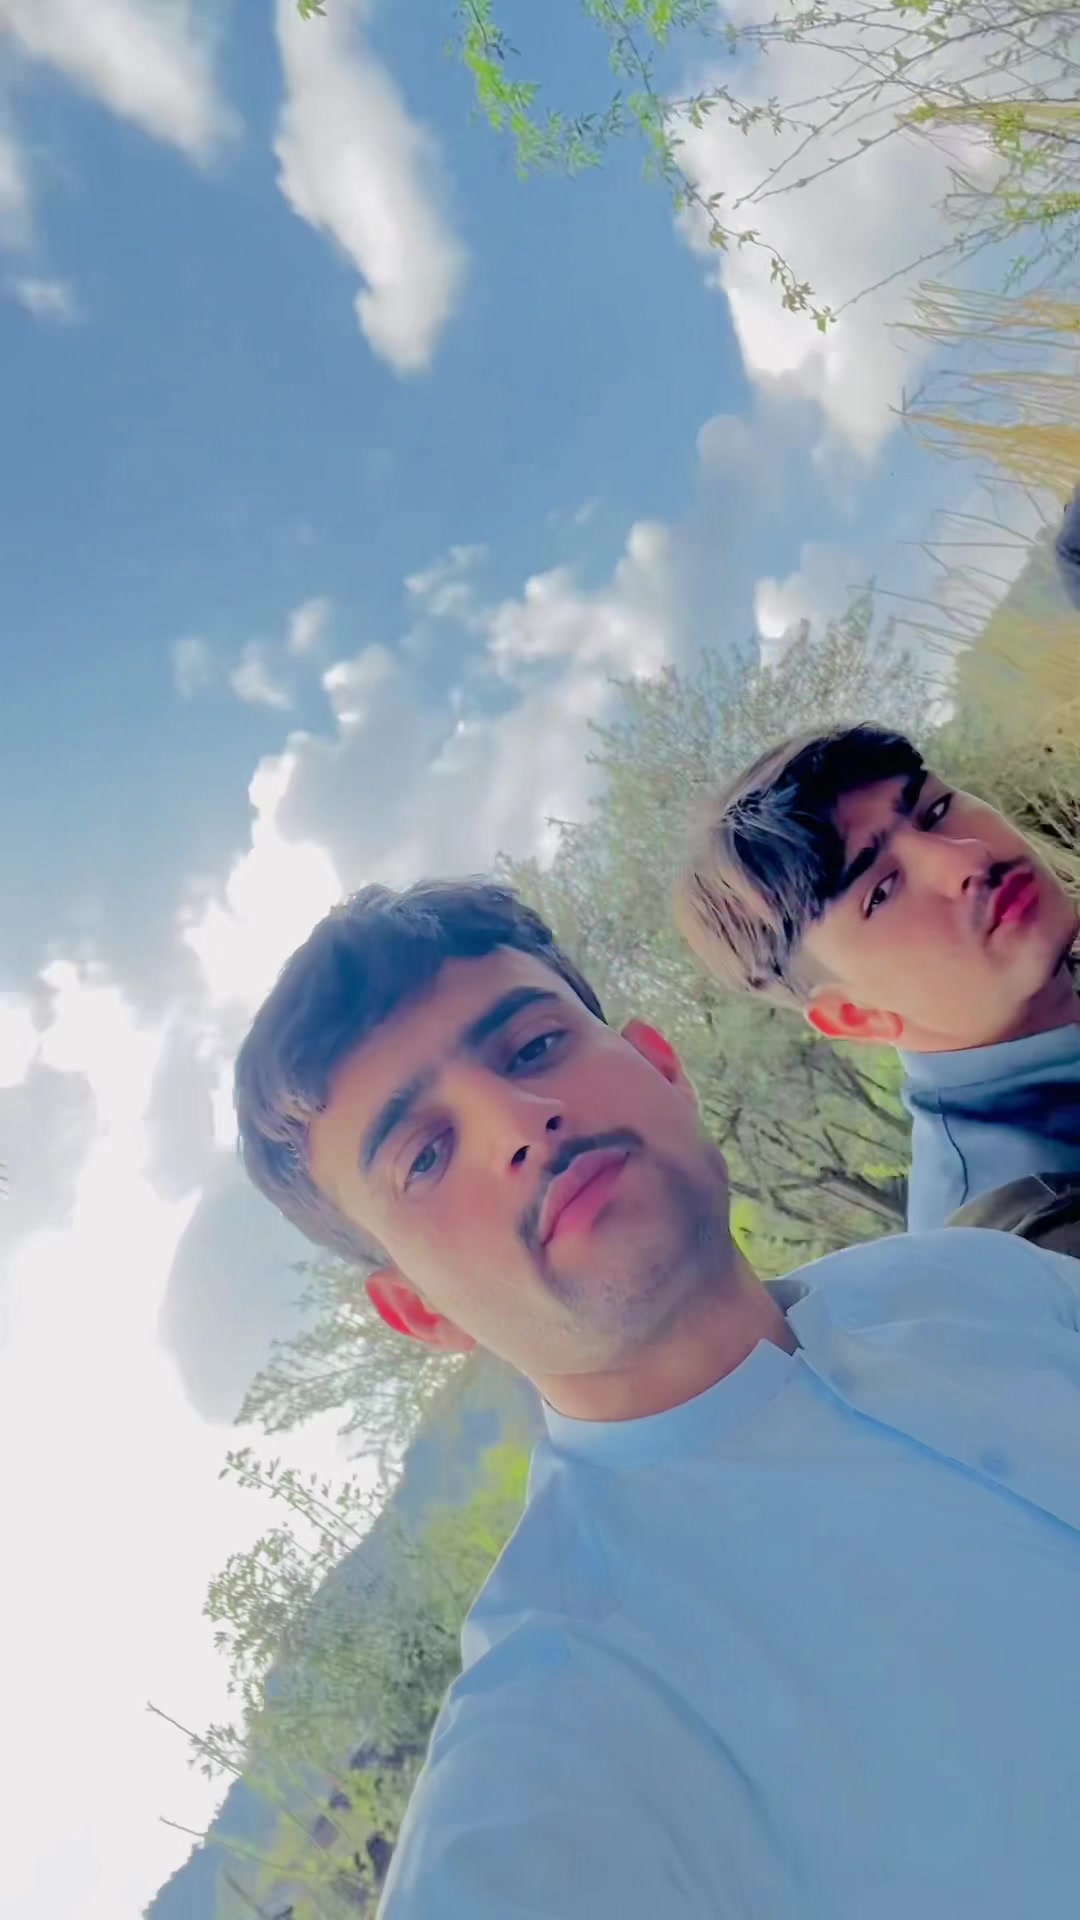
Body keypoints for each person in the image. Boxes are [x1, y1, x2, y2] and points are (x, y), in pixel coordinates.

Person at [235, 880, 1080, 1919]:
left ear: (662, 1066)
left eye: (534, 1047)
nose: (519, 1123)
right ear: (418, 1311)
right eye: (427, 1154)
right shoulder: (564, 1725)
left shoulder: (973, 1276)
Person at [675, 723, 1080, 1233]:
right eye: (881, 892)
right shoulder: (1020, 1231)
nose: (967, 857)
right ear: (855, 1015)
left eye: (935, 811)